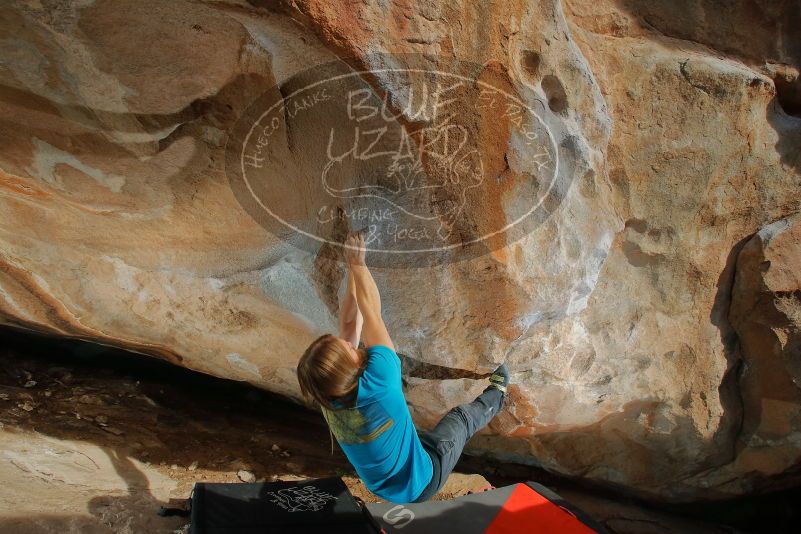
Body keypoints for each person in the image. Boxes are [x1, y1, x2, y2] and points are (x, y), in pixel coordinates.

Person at [296, 230, 510, 503]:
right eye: (346, 349)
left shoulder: (329, 396)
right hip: (423, 481)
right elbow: (371, 311)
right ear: (344, 366)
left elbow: (350, 323)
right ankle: (499, 393)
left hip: (383, 485)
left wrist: (351, 269)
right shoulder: (380, 380)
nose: (349, 344)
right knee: (460, 419)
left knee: (406, 436)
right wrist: (358, 263)